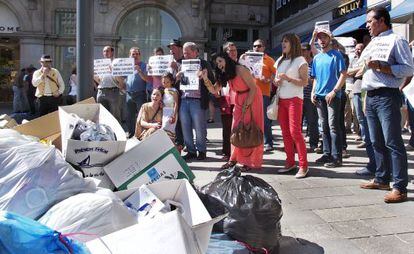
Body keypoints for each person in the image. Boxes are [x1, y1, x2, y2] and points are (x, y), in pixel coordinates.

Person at [359, 7, 414, 203]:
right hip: (372, 95)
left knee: (393, 141)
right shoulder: (374, 42)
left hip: (387, 95)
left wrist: (383, 67)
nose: (367, 26)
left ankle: (400, 186)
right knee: (375, 140)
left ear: (381, 21)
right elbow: (366, 70)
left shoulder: (396, 40)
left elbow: (408, 68)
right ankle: (382, 178)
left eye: (369, 21)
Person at [210, 52, 264, 171]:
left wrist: (247, 103)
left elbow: (253, 87)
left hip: (252, 97)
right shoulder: (225, 73)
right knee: (236, 129)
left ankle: (249, 162)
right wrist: (204, 78)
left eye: (220, 61)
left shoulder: (240, 69)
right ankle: (233, 159)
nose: (219, 64)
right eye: (216, 63)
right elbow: (214, 89)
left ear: (226, 59)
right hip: (239, 98)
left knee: (249, 129)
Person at [273, 34, 309, 178]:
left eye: (286, 41)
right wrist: (276, 81)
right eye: (282, 41)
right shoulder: (280, 60)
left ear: (293, 43)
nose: (283, 43)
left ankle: (304, 165)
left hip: (295, 99)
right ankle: (290, 162)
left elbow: (304, 82)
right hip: (281, 100)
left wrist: (288, 78)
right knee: (285, 133)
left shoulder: (301, 60)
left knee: (295, 133)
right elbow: (274, 79)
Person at [310, 28, 347, 168]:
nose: (321, 40)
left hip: (332, 96)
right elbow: (315, 78)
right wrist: (313, 91)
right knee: (324, 127)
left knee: (333, 126)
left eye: (324, 37)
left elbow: (343, 74)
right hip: (319, 96)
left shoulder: (336, 55)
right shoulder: (317, 57)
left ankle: (337, 157)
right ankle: (327, 154)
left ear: (329, 39)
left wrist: (334, 91)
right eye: (319, 38)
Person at [177, 42, 215, 161]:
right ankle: (191, 151)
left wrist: (203, 77)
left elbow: (212, 81)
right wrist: (177, 78)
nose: (185, 55)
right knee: (185, 127)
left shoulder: (203, 64)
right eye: (184, 53)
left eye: (188, 53)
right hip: (184, 99)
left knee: (199, 127)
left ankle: (202, 151)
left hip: (197, 100)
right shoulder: (181, 64)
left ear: (195, 52)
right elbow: (177, 83)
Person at [347, 43, 377, 176]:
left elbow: (360, 71)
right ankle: (374, 164)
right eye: (356, 48)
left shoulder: (371, 56)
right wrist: (359, 69)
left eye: (360, 48)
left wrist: (360, 70)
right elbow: (349, 72)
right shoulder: (354, 59)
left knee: (373, 130)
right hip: (358, 91)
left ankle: (378, 166)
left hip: (368, 93)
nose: (358, 50)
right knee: (360, 119)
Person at [250, 39, 276, 151]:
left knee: (264, 119)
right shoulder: (248, 59)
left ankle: (268, 142)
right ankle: (254, 141)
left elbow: (276, 75)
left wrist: (268, 79)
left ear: (264, 47)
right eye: (254, 46)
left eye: (259, 46)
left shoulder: (269, 60)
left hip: (263, 93)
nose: (256, 48)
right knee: (251, 119)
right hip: (249, 93)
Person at [95, 46, 125, 122]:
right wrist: (94, 75)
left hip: (113, 91)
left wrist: (113, 71)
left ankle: (116, 133)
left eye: (107, 51)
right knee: (102, 114)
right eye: (104, 51)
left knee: (115, 115)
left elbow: (121, 79)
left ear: (112, 52)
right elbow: (98, 80)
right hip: (101, 91)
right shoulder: (100, 64)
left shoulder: (116, 63)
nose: (106, 53)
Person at [125, 47, 148, 137]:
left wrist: (139, 71)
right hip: (129, 94)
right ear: (129, 56)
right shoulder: (127, 67)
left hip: (140, 94)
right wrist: (114, 72)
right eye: (133, 54)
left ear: (140, 55)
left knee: (141, 115)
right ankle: (131, 133)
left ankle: (141, 133)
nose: (135, 56)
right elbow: (121, 79)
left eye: (137, 54)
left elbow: (147, 79)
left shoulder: (144, 65)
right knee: (129, 116)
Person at [301, 42, 319, 152]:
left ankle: (313, 144)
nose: (302, 52)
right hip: (299, 96)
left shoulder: (314, 63)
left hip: (310, 96)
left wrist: (308, 80)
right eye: (301, 50)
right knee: (298, 122)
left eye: (304, 50)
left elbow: (317, 78)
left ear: (309, 51)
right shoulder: (299, 63)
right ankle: (297, 144)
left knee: (312, 121)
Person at [168, 39, 185, 151]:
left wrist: (176, 67)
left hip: (182, 94)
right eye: (170, 48)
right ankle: (178, 141)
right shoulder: (169, 61)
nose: (171, 50)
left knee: (182, 119)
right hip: (171, 94)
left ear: (179, 48)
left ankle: (181, 142)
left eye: (173, 47)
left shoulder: (185, 61)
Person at [161, 73, 179, 139]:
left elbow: (176, 103)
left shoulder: (174, 91)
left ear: (172, 81)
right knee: (165, 132)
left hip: (171, 112)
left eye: (167, 82)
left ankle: (173, 147)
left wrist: (173, 115)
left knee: (168, 131)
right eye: (163, 82)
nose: (165, 84)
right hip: (164, 113)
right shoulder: (163, 90)